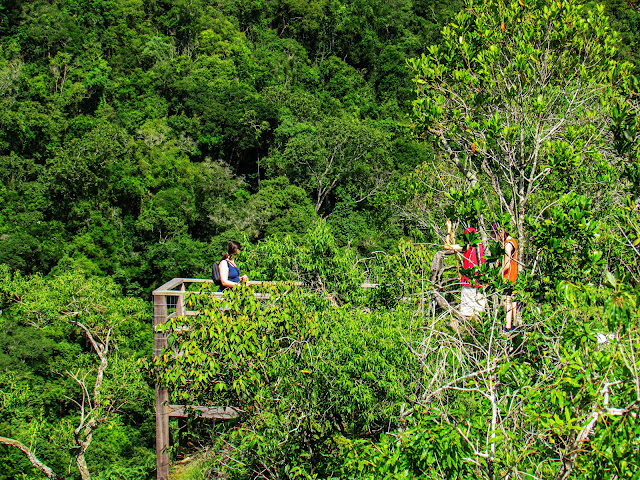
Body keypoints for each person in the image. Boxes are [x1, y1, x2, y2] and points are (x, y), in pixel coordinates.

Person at [445, 221, 487, 318]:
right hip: (482, 281)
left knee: (467, 312)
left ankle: (467, 330)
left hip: (469, 281)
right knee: (479, 313)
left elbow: (447, 246)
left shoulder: (467, 247)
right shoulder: (483, 246)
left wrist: (448, 230)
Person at [499, 228, 519, 330]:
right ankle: (514, 325)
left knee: (507, 302)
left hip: (508, 277)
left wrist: (498, 274)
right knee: (513, 302)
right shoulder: (514, 241)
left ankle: (507, 328)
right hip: (514, 276)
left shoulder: (508, 244)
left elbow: (506, 264)